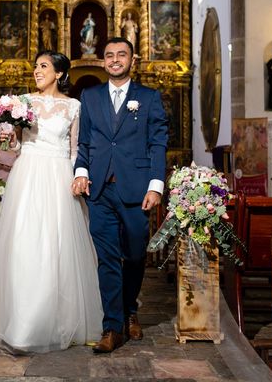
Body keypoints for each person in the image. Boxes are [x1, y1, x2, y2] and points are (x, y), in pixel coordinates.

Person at [0, 51, 103, 353]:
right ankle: (20, 323)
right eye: (35, 66)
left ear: (58, 73)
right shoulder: (22, 103)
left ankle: (54, 320)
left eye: (43, 66)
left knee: (56, 245)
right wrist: (8, 132)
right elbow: (15, 146)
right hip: (27, 174)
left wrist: (74, 179)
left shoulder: (73, 106)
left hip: (57, 176)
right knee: (24, 242)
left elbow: (74, 148)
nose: (36, 71)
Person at [72, 37, 169, 353]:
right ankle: (112, 327)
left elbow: (157, 143)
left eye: (121, 55)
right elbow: (84, 142)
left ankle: (129, 310)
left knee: (136, 254)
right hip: (99, 189)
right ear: (103, 61)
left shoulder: (149, 97)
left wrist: (156, 185)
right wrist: (81, 172)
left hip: (136, 188)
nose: (115, 59)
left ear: (133, 59)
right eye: (109, 55)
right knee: (108, 259)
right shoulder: (90, 96)